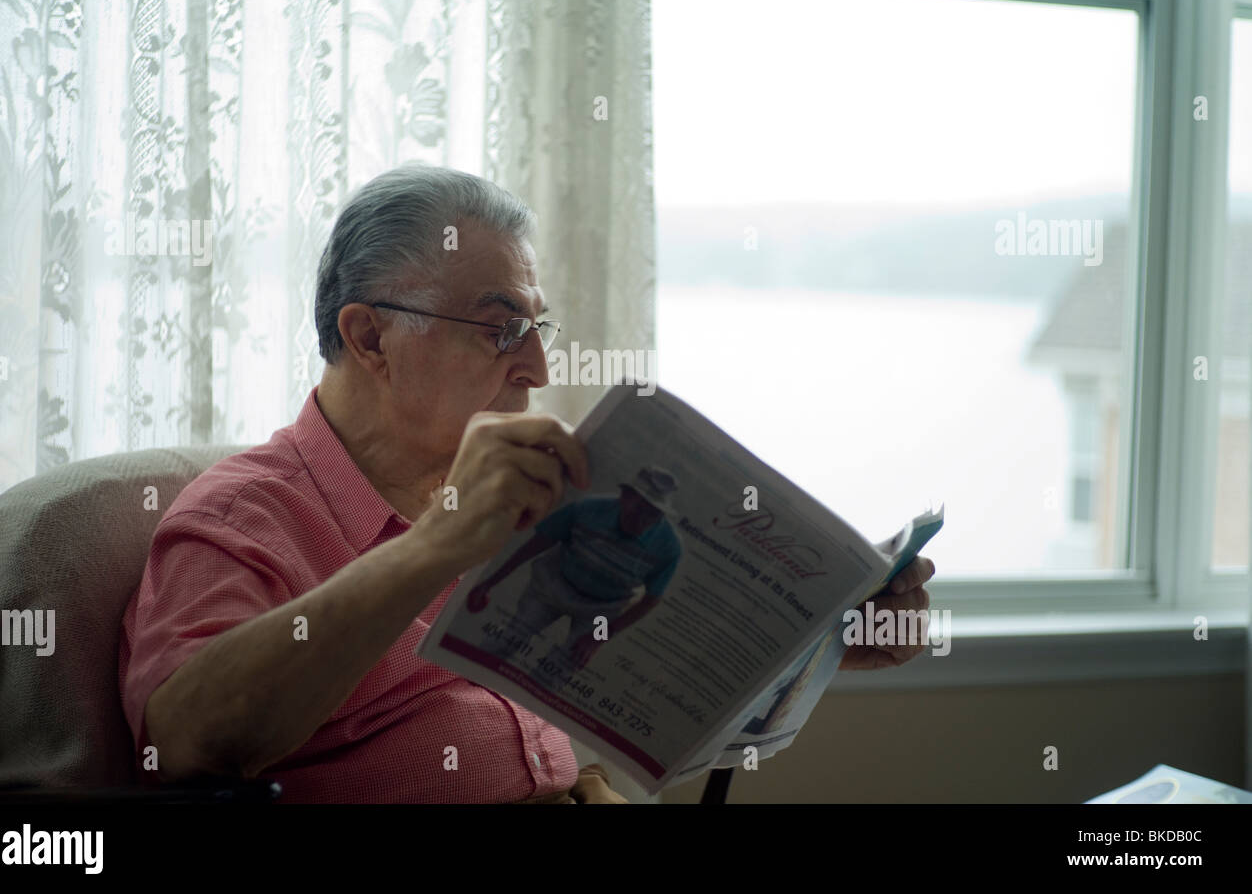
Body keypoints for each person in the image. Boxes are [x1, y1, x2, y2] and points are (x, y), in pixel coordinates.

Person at [117, 163, 937, 804]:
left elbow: (639, 670)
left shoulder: (520, 497)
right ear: (370, 336)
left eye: (537, 326)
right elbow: (183, 742)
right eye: (503, 326)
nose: (540, 365)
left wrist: (814, 646)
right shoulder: (244, 513)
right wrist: (437, 545)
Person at [467, 467, 682, 672]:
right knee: (508, 639)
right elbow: (536, 545)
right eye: (638, 510)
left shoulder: (669, 546)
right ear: (624, 496)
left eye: (652, 515)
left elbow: (650, 601)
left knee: (568, 664)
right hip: (553, 585)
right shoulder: (586, 509)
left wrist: (599, 638)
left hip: (603, 611)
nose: (642, 521)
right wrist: (489, 583)